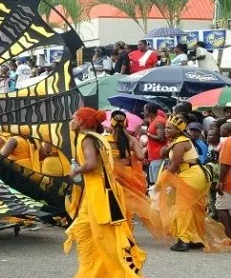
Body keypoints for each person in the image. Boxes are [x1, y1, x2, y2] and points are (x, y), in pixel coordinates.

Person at [65, 107, 146, 277]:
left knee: (106, 240)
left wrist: (75, 171)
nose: (70, 122)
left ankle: (123, 274)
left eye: (73, 118)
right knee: (83, 231)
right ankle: (92, 273)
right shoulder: (96, 137)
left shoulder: (87, 138)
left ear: (80, 121)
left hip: (101, 194)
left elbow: (91, 164)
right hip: (96, 192)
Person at [154, 114, 209, 251]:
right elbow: (163, 154)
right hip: (191, 175)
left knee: (182, 208)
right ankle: (194, 238)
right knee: (191, 209)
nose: (166, 130)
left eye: (170, 128)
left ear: (178, 130)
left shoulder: (180, 142)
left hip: (191, 175)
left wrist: (160, 182)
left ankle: (184, 240)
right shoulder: (177, 141)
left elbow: (173, 165)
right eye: (166, 127)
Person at [144, 103, 166, 185]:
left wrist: (148, 134)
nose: (143, 111)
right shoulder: (152, 120)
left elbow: (161, 138)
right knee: (153, 182)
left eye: (144, 110)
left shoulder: (159, 121)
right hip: (152, 156)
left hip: (158, 156)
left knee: (157, 183)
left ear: (148, 111)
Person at [217, 122, 231, 238]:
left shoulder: (228, 141)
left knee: (221, 207)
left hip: (228, 181)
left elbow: (225, 164)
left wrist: (220, 182)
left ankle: (229, 236)